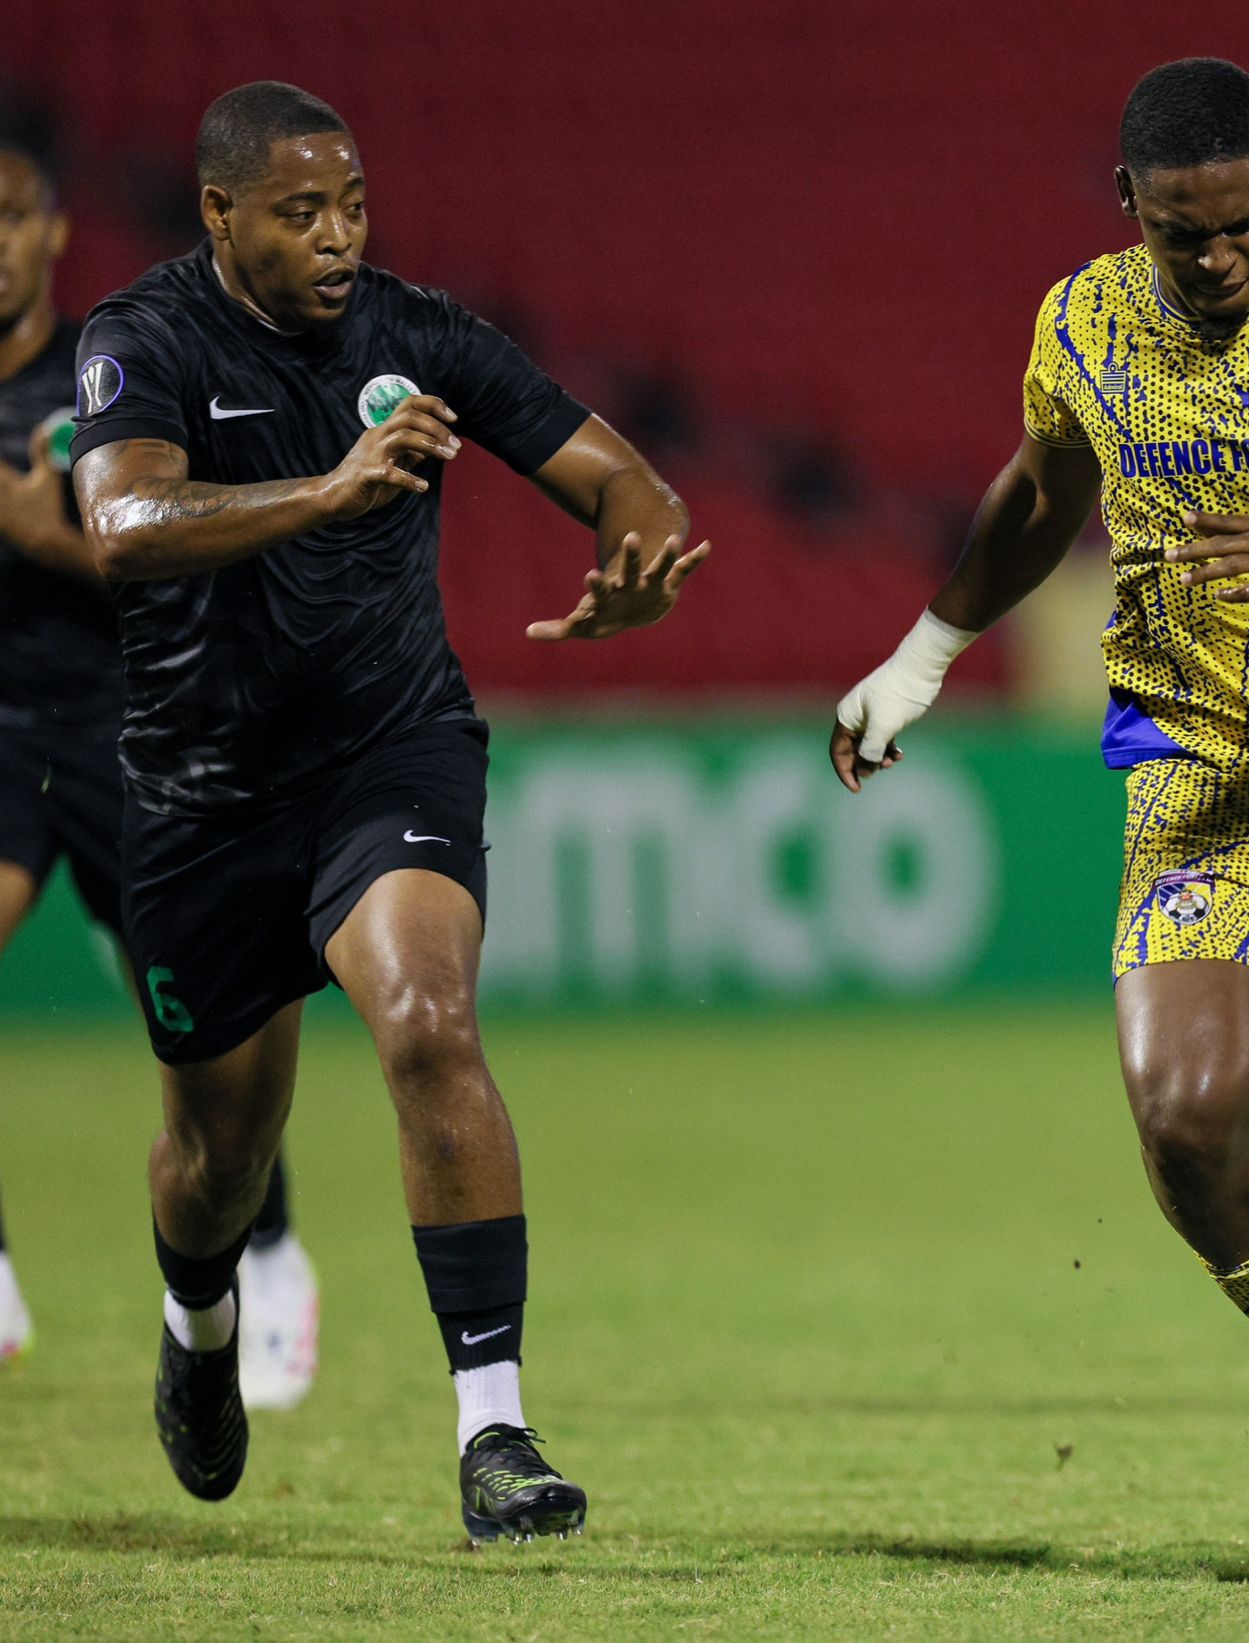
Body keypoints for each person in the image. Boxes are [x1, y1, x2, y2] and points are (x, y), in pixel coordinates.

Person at [831, 58, 1249, 1553]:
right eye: (1181, 234)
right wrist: (925, 651)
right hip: (1203, 775)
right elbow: (1037, 489)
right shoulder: (1083, 320)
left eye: (1243, 228)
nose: (1216, 261)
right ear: (1129, 205)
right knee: (1187, 1115)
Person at [69, 82, 706, 1542]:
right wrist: (328, 487)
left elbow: (624, 478)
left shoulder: (418, 332)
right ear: (222, 214)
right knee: (218, 1160)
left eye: (353, 205)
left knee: (428, 1017)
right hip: (200, 792)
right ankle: (200, 1315)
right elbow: (121, 526)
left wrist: (638, 562)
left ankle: (495, 1429)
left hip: (387, 750)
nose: (340, 236)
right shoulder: (142, 339)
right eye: (302, 214)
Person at [0, 139, 317, 1400]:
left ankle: (275, 1249)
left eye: (11, 216)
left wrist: (46, 535)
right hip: (1, 733)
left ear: (55, 233)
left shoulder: (109, 372)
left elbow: (183, 552)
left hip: (137, 736)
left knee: (209, 1052)